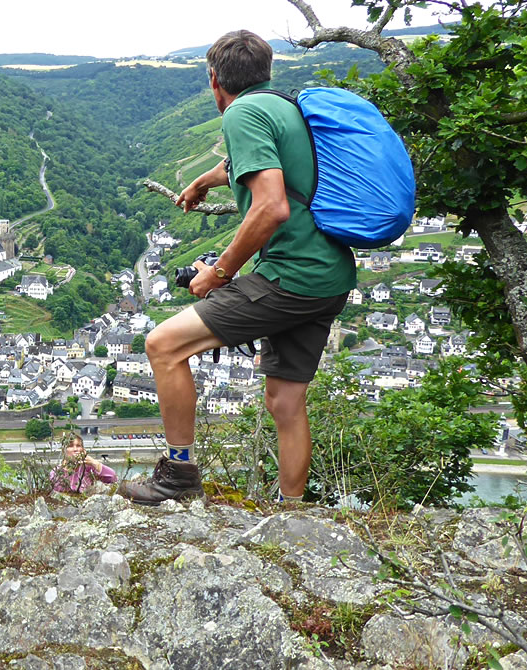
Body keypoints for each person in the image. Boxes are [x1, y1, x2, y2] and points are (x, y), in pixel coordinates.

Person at [122, 29, 355, 507]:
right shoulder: (283, 106)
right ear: (264, 71)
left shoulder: (241, 113)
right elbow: (258, 164)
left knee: (163, 346)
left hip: (290, 276)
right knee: (285, 402)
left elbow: (270, 207)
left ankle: (179, 476)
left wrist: (219, 272)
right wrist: (204, 181)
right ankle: (292, 511)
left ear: (215, 80)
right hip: (328, 275)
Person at [49, 433, 117, 492]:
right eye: (70, 446)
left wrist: (95, 463)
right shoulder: (56, 473)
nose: (75, 449)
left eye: (78, 446)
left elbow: (112, 478)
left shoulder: (89, 469)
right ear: (64, 450)